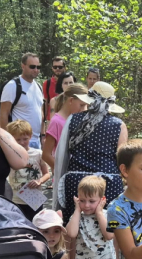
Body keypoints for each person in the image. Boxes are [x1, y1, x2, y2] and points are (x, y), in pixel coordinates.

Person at [51, 81, 128, 221]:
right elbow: (121, 160)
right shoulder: (118, 125)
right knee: (108, 228)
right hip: (107, 184)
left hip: (77, 183)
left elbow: (62, 155)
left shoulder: (73, 119)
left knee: (74, 224)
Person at [0, 53, 45, 149]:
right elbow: (3, 114)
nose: (36, 70)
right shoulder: (13, 85)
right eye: (32, 66)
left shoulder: (39, 87)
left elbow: (41, 113)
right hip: (19, 142)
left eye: (38, 67)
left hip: (36, 142)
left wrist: (43, 136)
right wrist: (6, 140)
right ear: (23, 66)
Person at [6, 120, 51, 220]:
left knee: (36, 224)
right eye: (18, 140)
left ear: (30, 136)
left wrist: (39, 181)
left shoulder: (38, 154)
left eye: (25, 139)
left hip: (35, 198)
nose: (22, 142)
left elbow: (47, 174)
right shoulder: (9, 155)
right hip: (16, 199)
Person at [41, 83, 87, 170]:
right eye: (82, 105)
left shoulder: (77, 119)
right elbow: (46, 155)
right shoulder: (56, 122)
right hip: (65, 178)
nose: (84, 109)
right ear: (71, 100)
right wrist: (63, 172)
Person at [42, 56, 68, 122]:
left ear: (64, 68)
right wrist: (43, 121)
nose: (57, 69)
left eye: (60, 67)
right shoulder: (47, 83)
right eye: (55, 67)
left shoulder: (70, 83)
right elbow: (45, 104)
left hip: (66, 119)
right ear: (52, 68)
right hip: (51, 120)